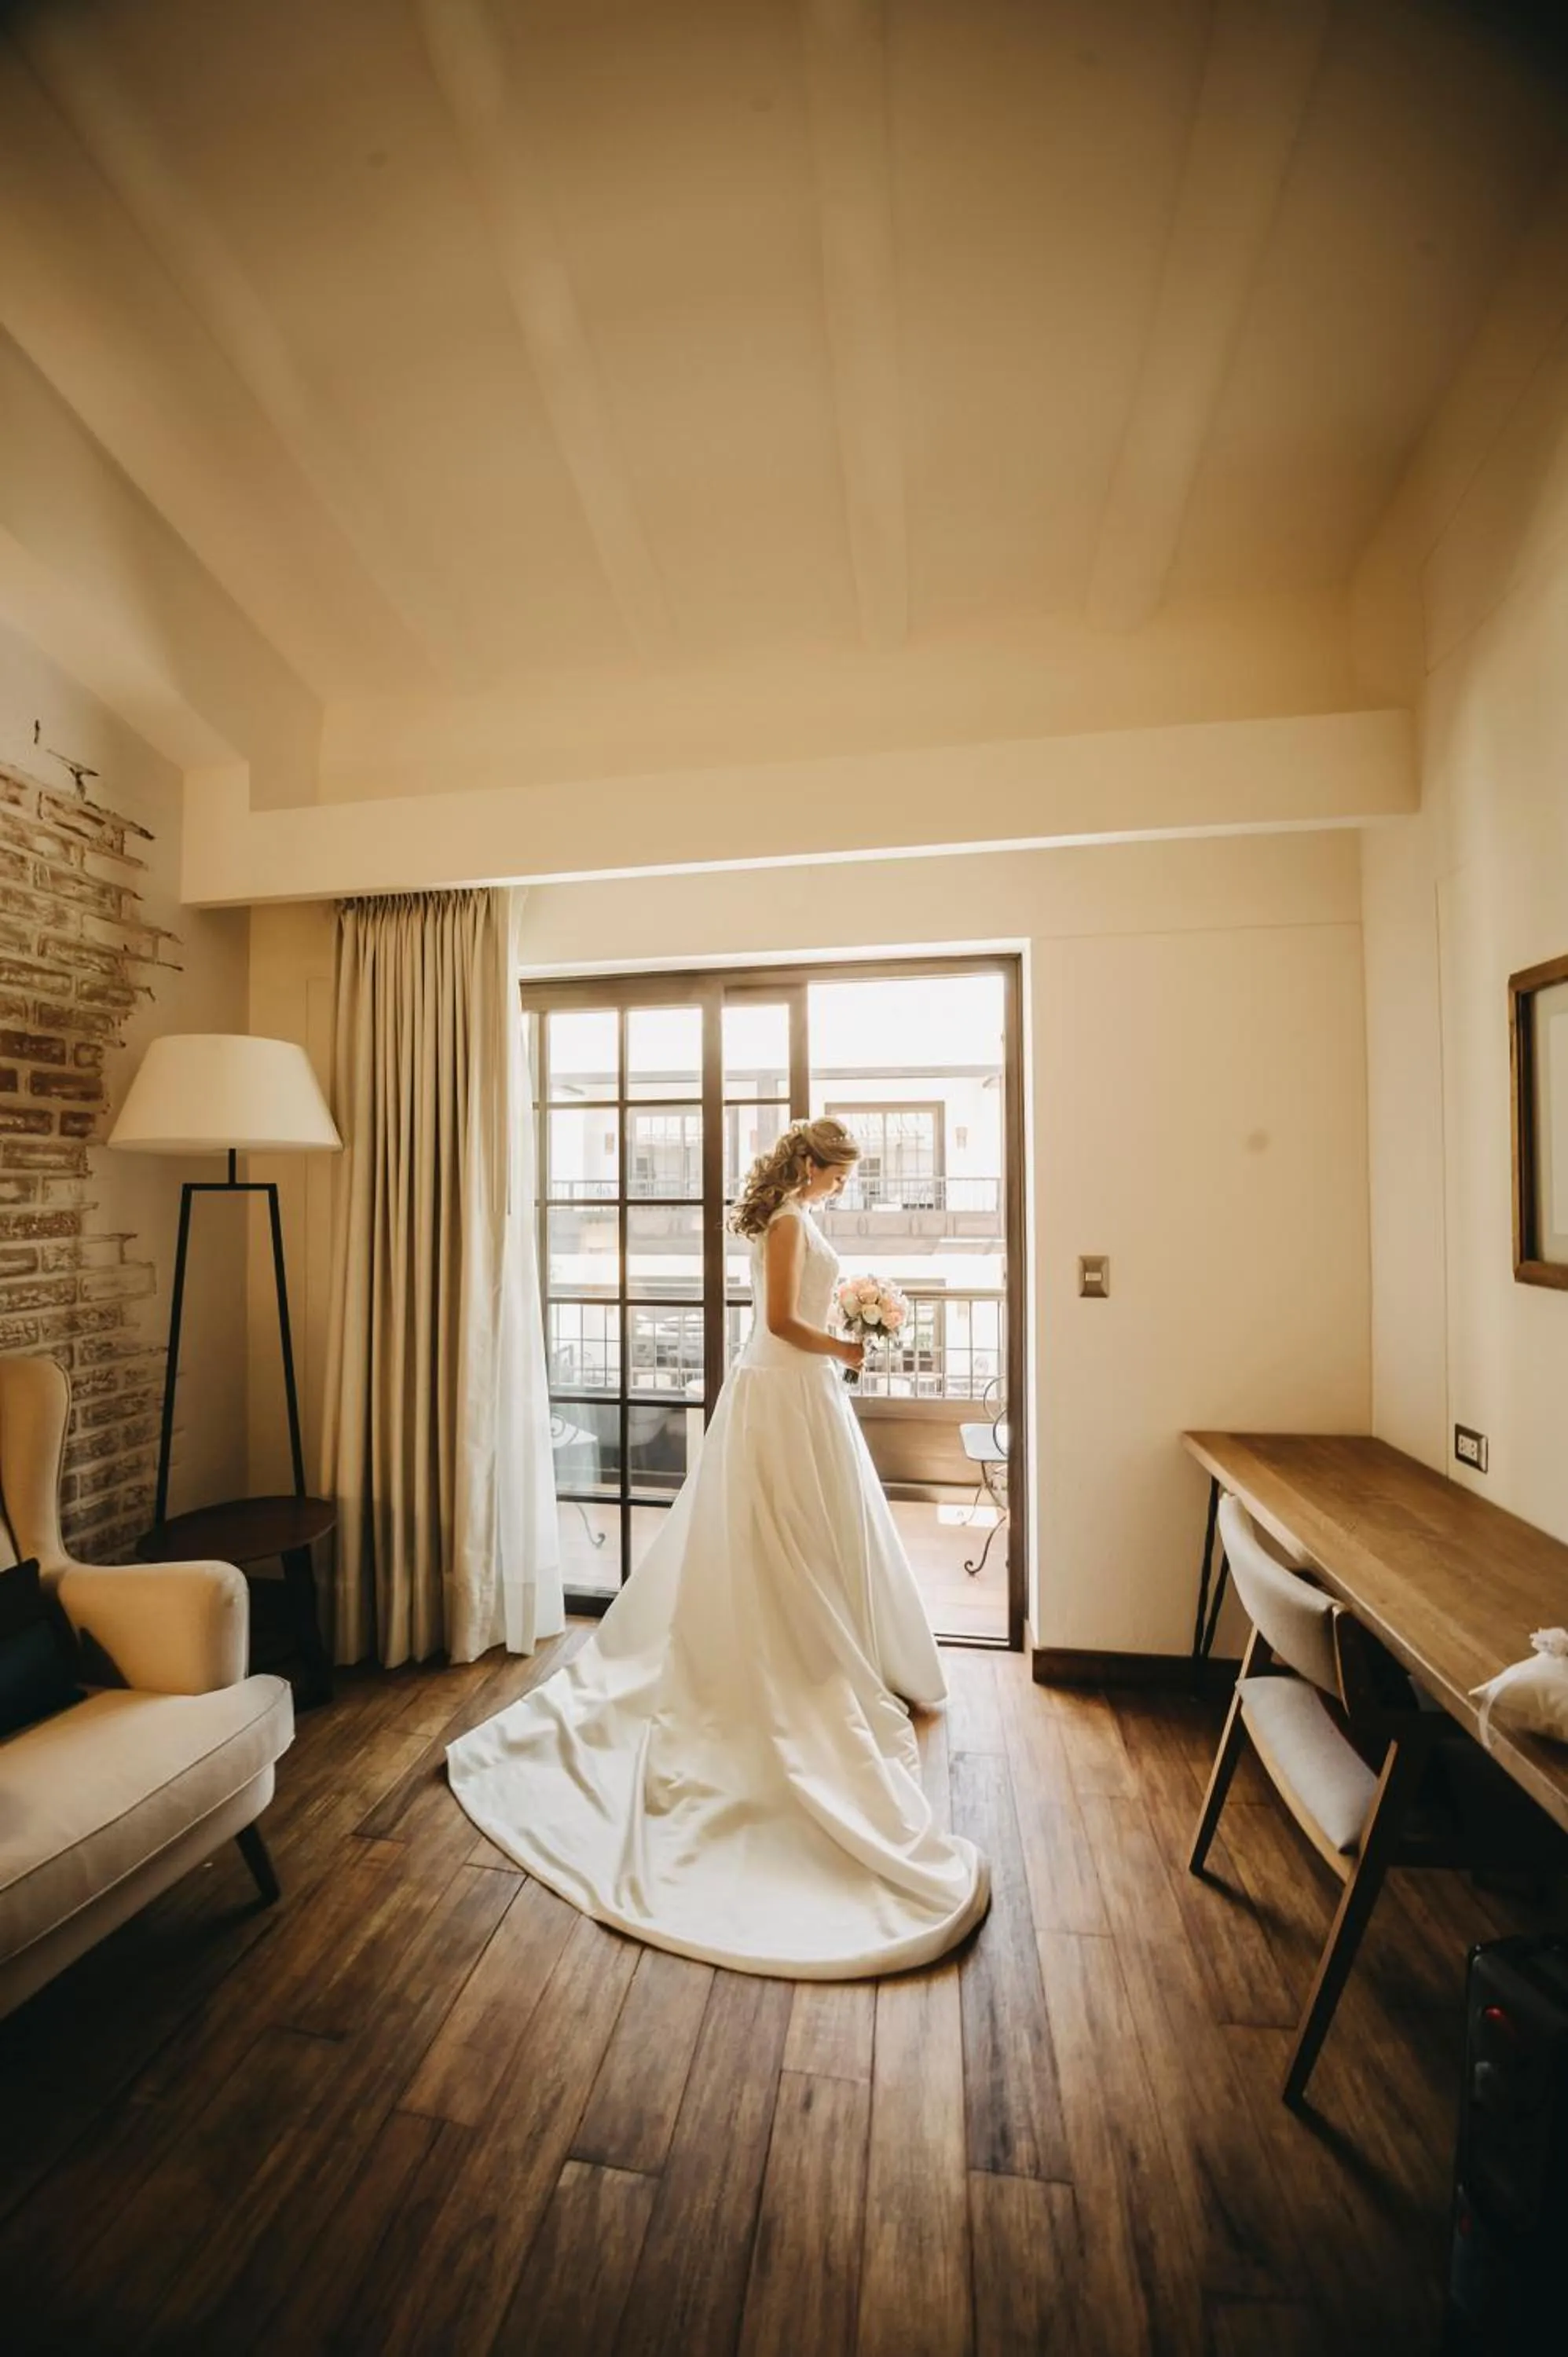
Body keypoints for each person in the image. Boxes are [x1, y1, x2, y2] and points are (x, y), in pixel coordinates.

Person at [446, 1116, 989, 1978]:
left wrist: (849, 1332)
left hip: (806, 1395)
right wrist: (848, 1341)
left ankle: (837, 1647)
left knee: (818, 1530)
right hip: (781, 1390)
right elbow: (778, 1320)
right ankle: (782, 1656)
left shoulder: (803, 1221)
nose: (846, 1185)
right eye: (841, 1172)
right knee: (778, 1533)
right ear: (811, 1164)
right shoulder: (783, 1223)